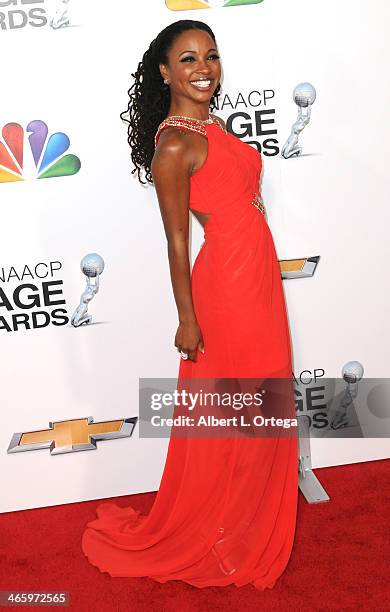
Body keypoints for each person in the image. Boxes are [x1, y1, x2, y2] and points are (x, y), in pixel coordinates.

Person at [81, 19, 299, 591]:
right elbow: (178, 237)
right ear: (164, 72)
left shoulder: (213, 124)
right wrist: (187, 318)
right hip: (225, 286)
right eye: (187, 59)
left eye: (211, 56)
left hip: (257, 276)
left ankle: (242, 522)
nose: (204, 68)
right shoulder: (175, 143)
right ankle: (225, 531)